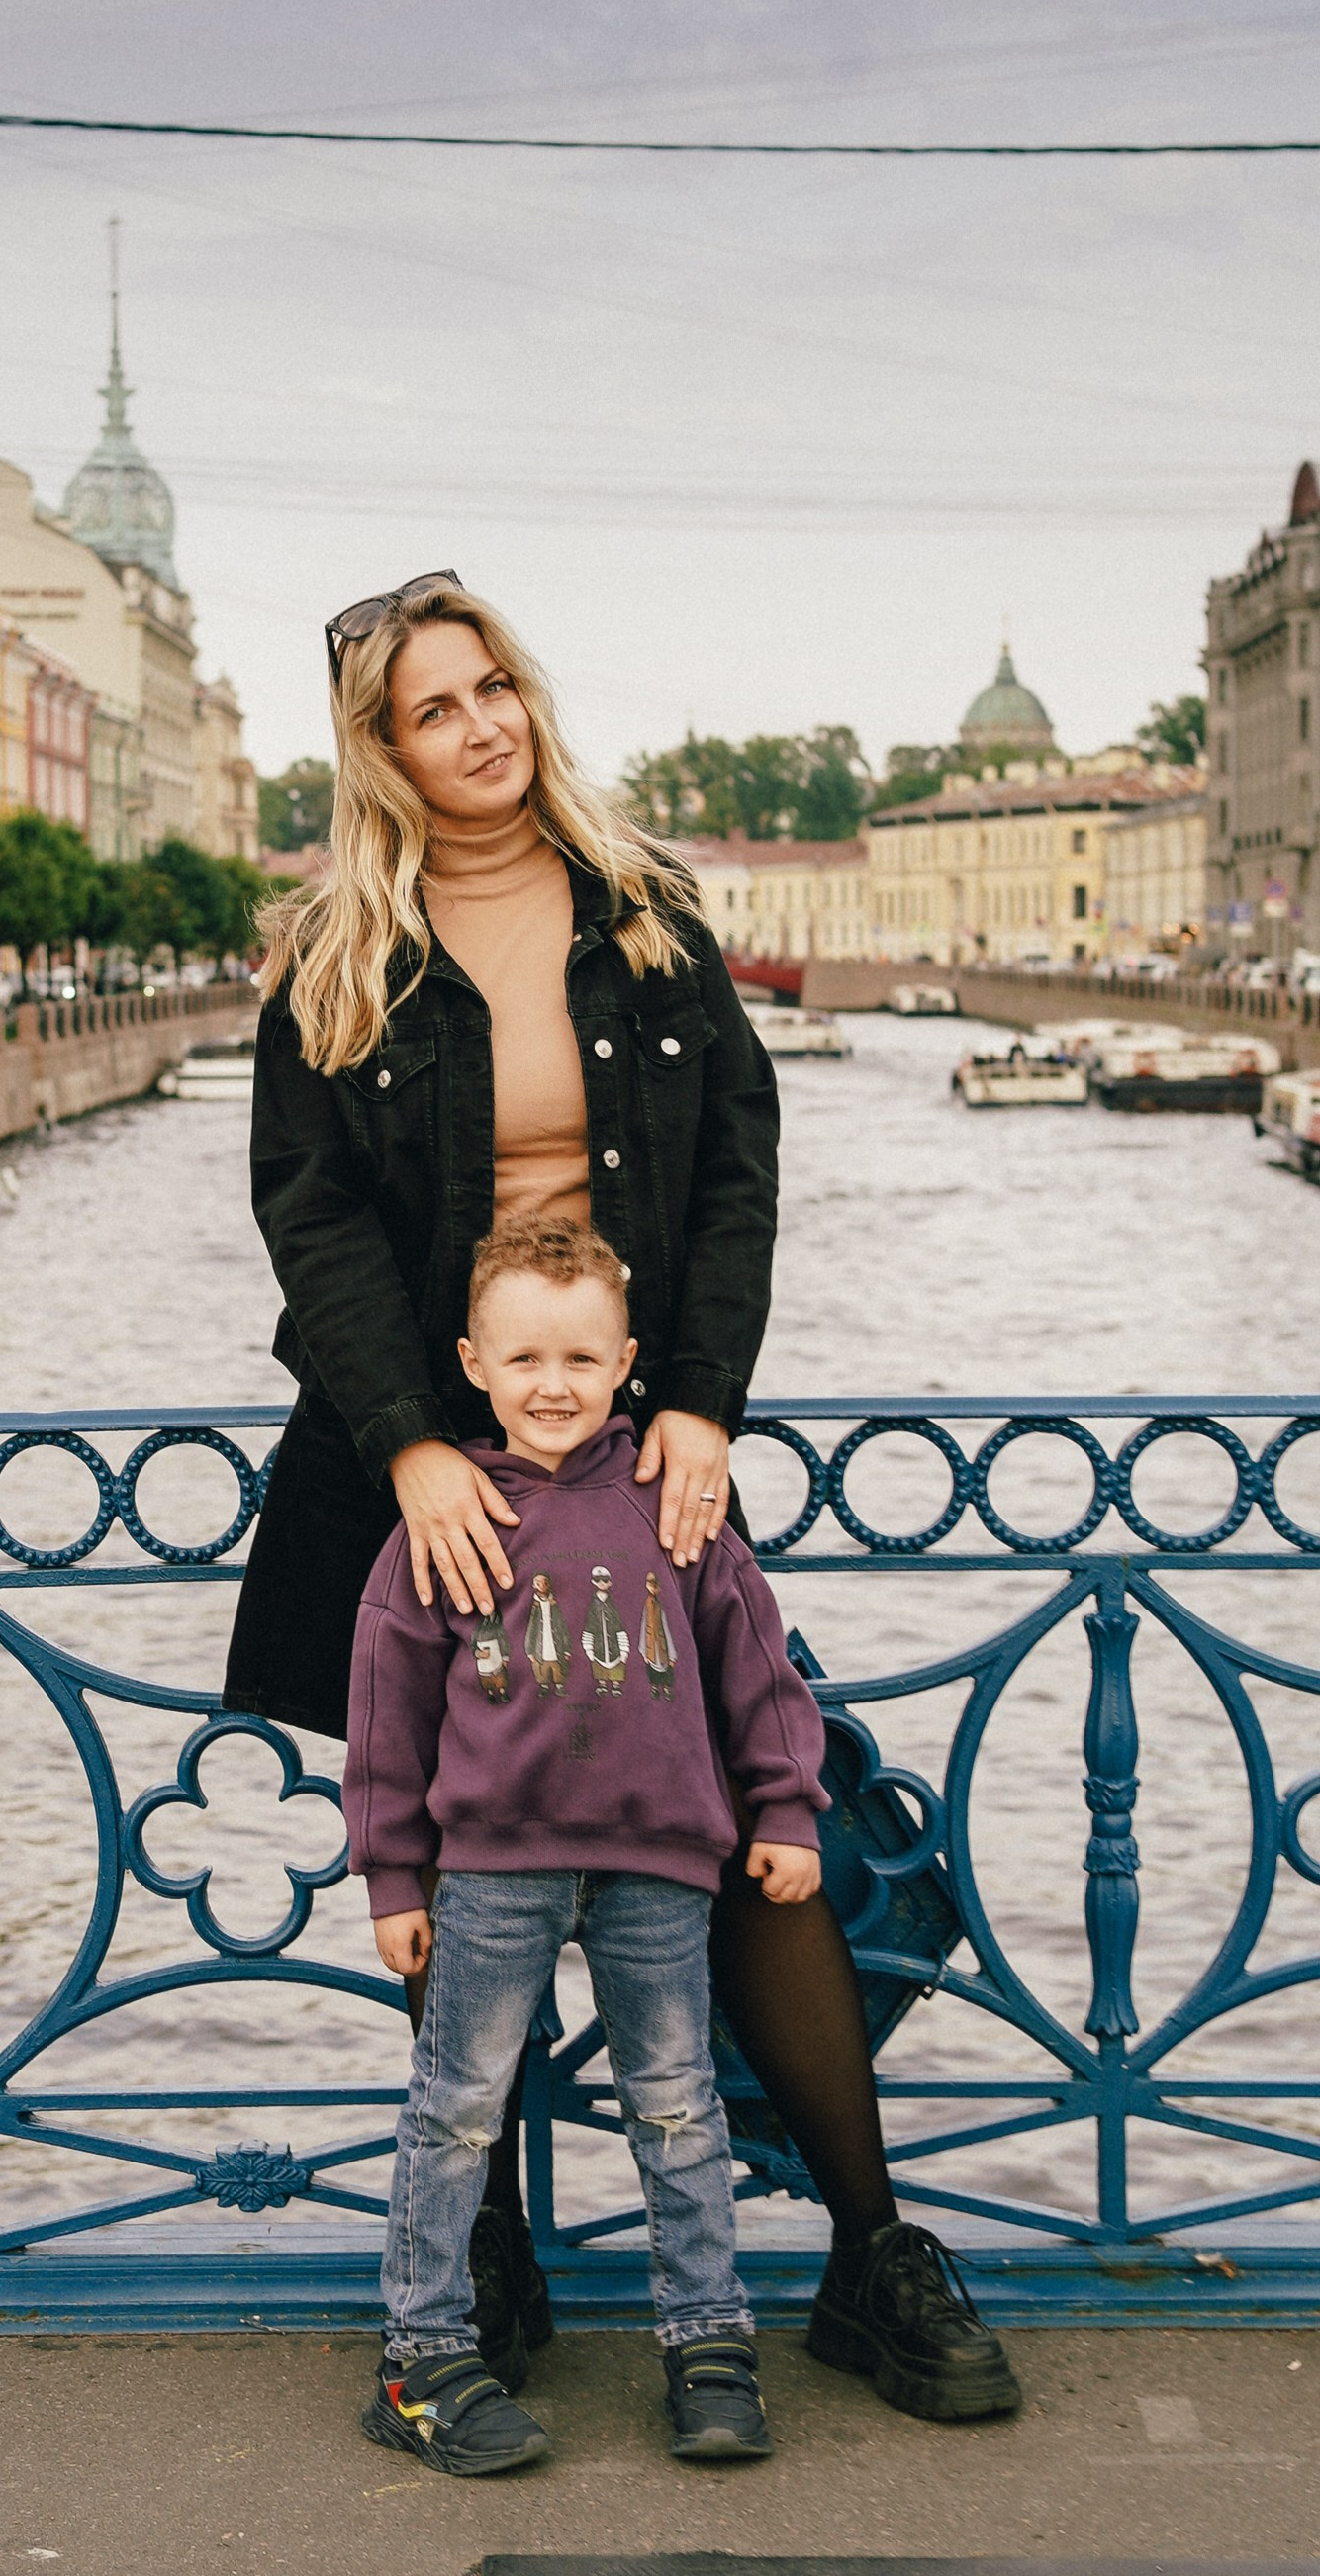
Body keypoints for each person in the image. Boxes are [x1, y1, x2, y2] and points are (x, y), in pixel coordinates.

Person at [227, 568, 1019, 2422]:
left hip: (634, 1441)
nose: (481, 723)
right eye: (434, 706)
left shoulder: (643, 906)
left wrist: (713, 1408)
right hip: (422, 1458)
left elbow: (736, 1168)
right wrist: (418, 1440)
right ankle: (483, 2252)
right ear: (381, 749)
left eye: (494, 683)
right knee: (455, 1832)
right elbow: (312, 1210)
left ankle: (867, 2251)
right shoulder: (339, 950)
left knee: (762, 1820)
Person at [348, 1214, 827, 2474]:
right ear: (470, 1362)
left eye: (579, 1358)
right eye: (522, 1360)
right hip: (493, 1867)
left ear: (628, 1364)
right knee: (455, 2107)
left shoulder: (676, 1507)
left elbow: (756, 1667)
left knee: (676, 2106)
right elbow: (387, 1715)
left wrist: (783, 1808)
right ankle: (420, 2350)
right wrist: (394, 1873)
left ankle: (708, 2340)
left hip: (659, 1860)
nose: (550, 1385)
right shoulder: (446, 1518)